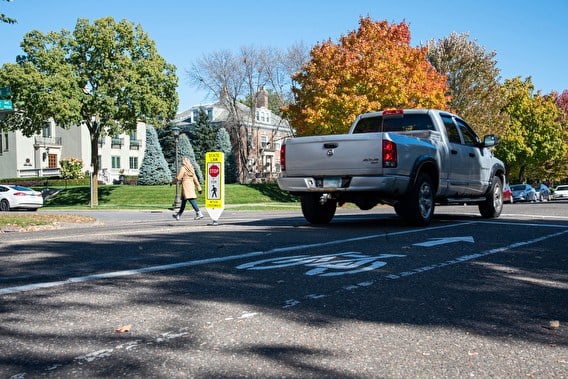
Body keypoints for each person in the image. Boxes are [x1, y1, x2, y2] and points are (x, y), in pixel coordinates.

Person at [172, 157, 204, 221]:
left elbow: (179, 177)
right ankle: (178, 215)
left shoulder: (183, 168)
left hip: (186, 186)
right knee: (183, 202)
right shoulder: (191, 169)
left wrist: (172, 182)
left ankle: (199, 213)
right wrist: (199, 188)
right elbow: (195, 179)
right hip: (191, 185)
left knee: (191, 199)